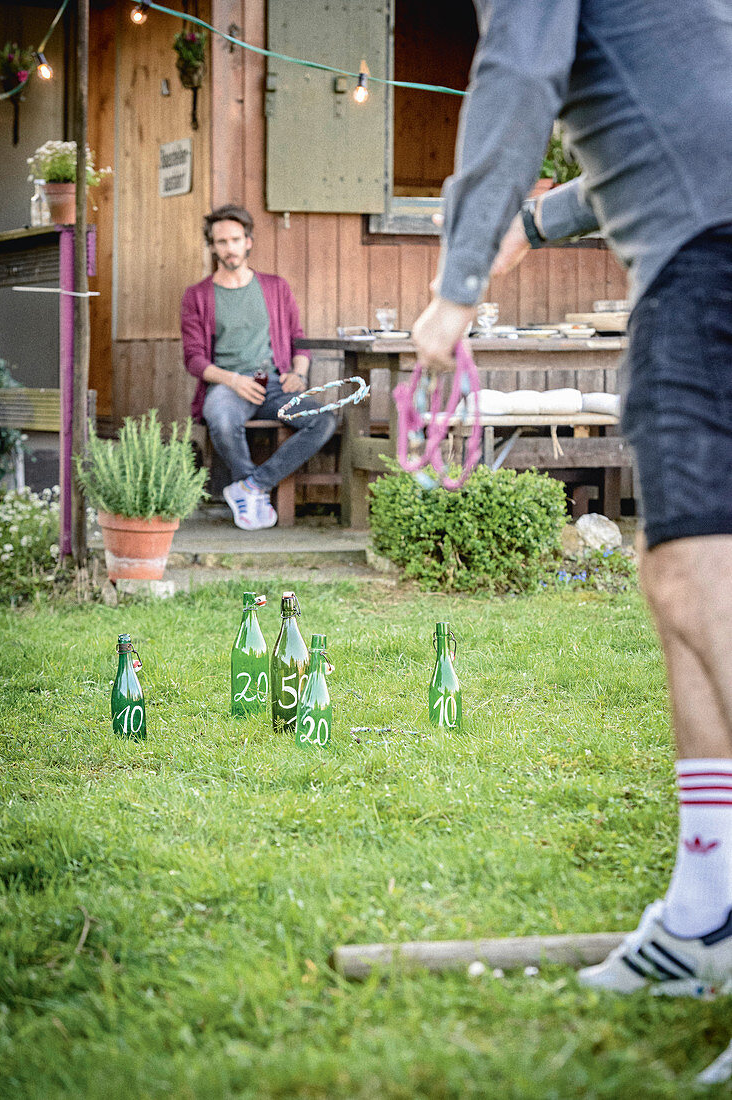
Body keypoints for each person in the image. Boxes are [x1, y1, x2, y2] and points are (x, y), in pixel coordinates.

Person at [413, 0, 732, 994]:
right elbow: (674, 117)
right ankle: (703, 910)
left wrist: (456, 283)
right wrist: (533, 220)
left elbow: (516, 74)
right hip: (696, 241)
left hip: (705, 254)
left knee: (691, 580)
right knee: (685, 581)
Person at [181, 205, 336, 530]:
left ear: (248, 241)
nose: (229, 248)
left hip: (274, 386)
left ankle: (252, 486)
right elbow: (194, 359)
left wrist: (299, 372)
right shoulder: (197, 296)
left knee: (323, 420)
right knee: (221, 419)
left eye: (236, 239)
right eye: (221, 241)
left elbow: (298, 339)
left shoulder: (275, 288)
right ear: (212, 246)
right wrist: (234, 380)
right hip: (227, 386)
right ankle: (249, 489)